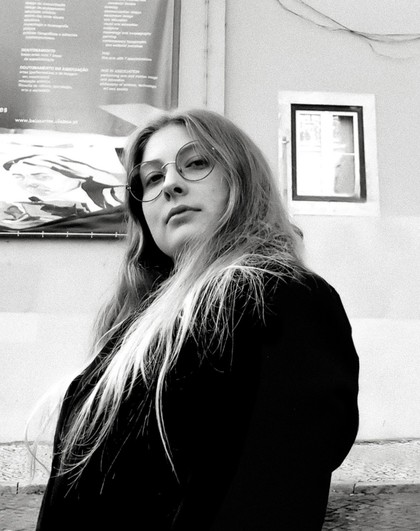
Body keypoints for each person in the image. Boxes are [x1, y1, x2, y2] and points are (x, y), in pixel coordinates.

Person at [36, 109, 359, 530]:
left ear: (241, 179)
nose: (170, 183)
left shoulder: (281, 297)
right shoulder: (134, 326)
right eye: (152, 178)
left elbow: (273, 496)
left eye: (196, 162)